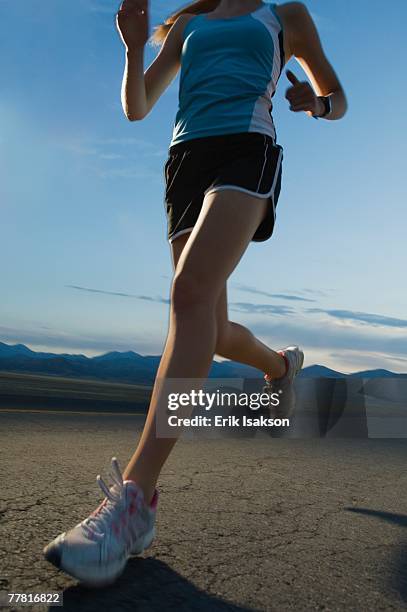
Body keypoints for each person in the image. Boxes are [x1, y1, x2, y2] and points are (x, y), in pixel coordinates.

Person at [43, 0, 347, 586]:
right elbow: (137, 107)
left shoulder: (286, 18)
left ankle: (134, 502)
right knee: (208, 323)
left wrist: (316, 103)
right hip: (185, 162)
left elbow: (338, 99)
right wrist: (134, 49)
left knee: (187, 297)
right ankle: (280, 368)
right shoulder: (188, 26)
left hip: (247, 149)